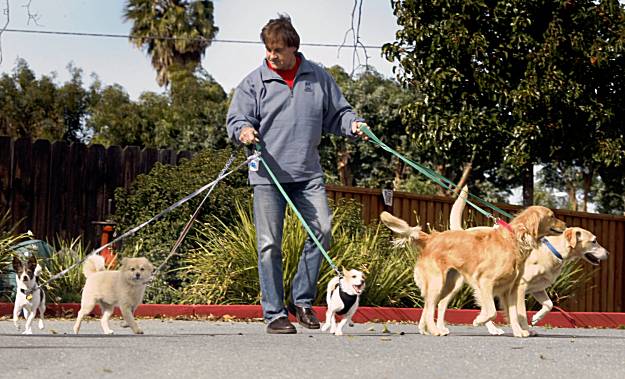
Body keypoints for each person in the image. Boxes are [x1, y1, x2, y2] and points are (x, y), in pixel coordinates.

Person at [226, 14, 367, 334]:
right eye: (267, 49)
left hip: (307, 174)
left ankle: (301, 301)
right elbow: (236, 119)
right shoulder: (254, 82)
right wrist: (244, 130)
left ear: (293, 48)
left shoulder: (317, 78)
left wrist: (354, 125)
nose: (270, 55)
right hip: (267, 176)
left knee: (323, 231)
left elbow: (339, 114)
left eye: (277, 49)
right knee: (269, 245)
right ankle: (274, 313)